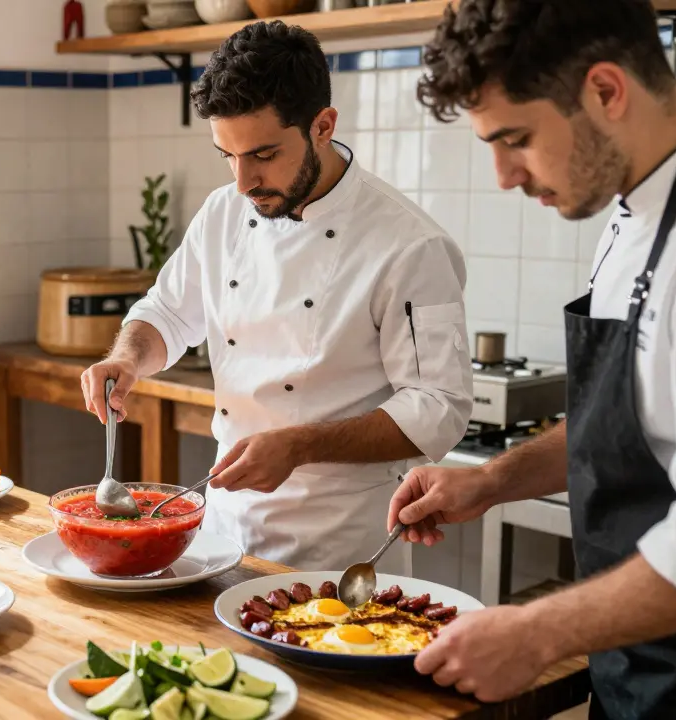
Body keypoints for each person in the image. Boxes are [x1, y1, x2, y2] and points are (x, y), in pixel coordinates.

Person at [389, 1, 676, 715]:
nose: (505, 176)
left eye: (515, 138)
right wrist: (489, 483)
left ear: (606, 91)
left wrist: (536, 632)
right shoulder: (632, 211)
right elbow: (628, 419)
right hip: (642, 672)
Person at [80, 20, 474, 572]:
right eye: (227, 156)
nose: (243, 182)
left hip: (337, 552)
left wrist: (299, 445)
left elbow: (439, 408)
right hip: (221, 533)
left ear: (322, 125)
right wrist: (125, 358)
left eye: (263, 155)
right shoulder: (225, 212)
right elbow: (167, 313)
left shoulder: (410, 245)